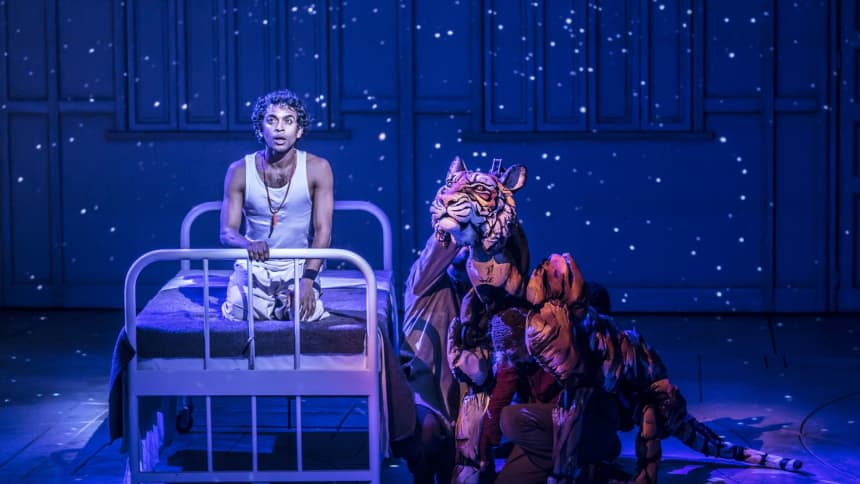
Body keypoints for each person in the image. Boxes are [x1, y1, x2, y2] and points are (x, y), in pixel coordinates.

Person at [220, 88, 334, 322]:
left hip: (298, 265)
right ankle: (271, 306)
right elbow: (227, 232)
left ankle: (285, 305)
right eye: (271, 120)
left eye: (288, 121)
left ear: (299, 130)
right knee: (240, 311)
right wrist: (248, 244)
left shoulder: (318, 168)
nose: (280, 128)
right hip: (256, 266)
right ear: (261, 129)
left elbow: (323, 232)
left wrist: (307, 280)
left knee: (303, 315)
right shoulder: (239, 170)